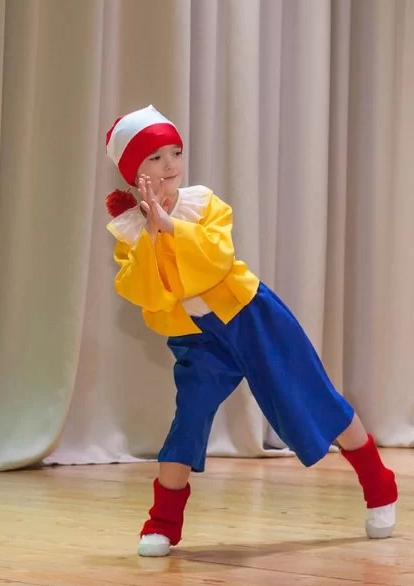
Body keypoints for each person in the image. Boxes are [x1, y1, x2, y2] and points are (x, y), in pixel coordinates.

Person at [103, 106, 398, 558]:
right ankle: (162, 521)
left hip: (251, 317)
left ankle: (380, 484)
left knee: (312, 394)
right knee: (188, 419)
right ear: (133, 172)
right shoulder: (130, 231)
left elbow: (216, 259)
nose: (170, 165)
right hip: (198, 338)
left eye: (175, 153)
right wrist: (152, 234)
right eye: (155, 157)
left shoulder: (204, 204)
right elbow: (146, 292)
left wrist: (171, 225)